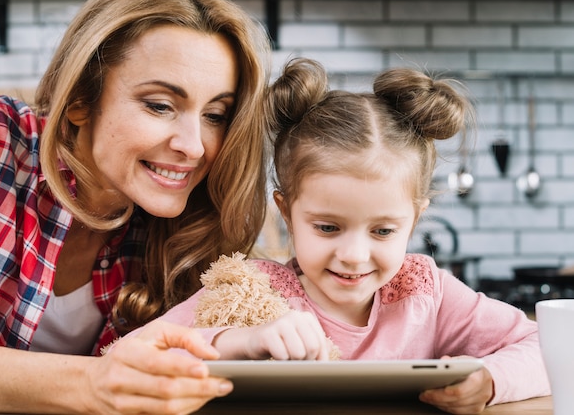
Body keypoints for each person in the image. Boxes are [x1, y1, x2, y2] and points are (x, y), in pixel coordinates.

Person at [148, 58, 551, 414]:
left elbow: (551, 350)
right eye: (327, 227)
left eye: (383, 231)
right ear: (287, 211)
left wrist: (491, 381)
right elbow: (145, 355)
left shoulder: (426, 294)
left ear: (414, 220)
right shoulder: (253, 290)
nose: (355, 255)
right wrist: (243, 341)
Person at [0, 0, 271, 413]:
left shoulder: (180, 227)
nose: (193, 147)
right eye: (159, 105)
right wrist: (91, 383)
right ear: (81, 99)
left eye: (215, 115)